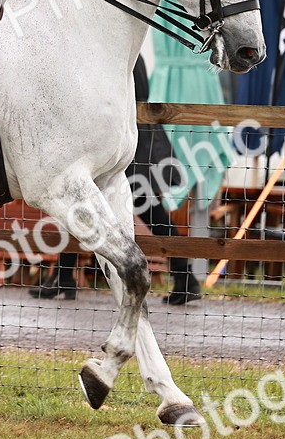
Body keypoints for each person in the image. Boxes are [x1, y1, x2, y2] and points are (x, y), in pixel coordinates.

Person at [29, 56, 201, 304]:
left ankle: (186, 278)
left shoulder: (118, 52)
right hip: (129, 139)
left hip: (126, 143)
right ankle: (63, 277)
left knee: (146, 212)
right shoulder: (132, 52)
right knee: (81, 207)